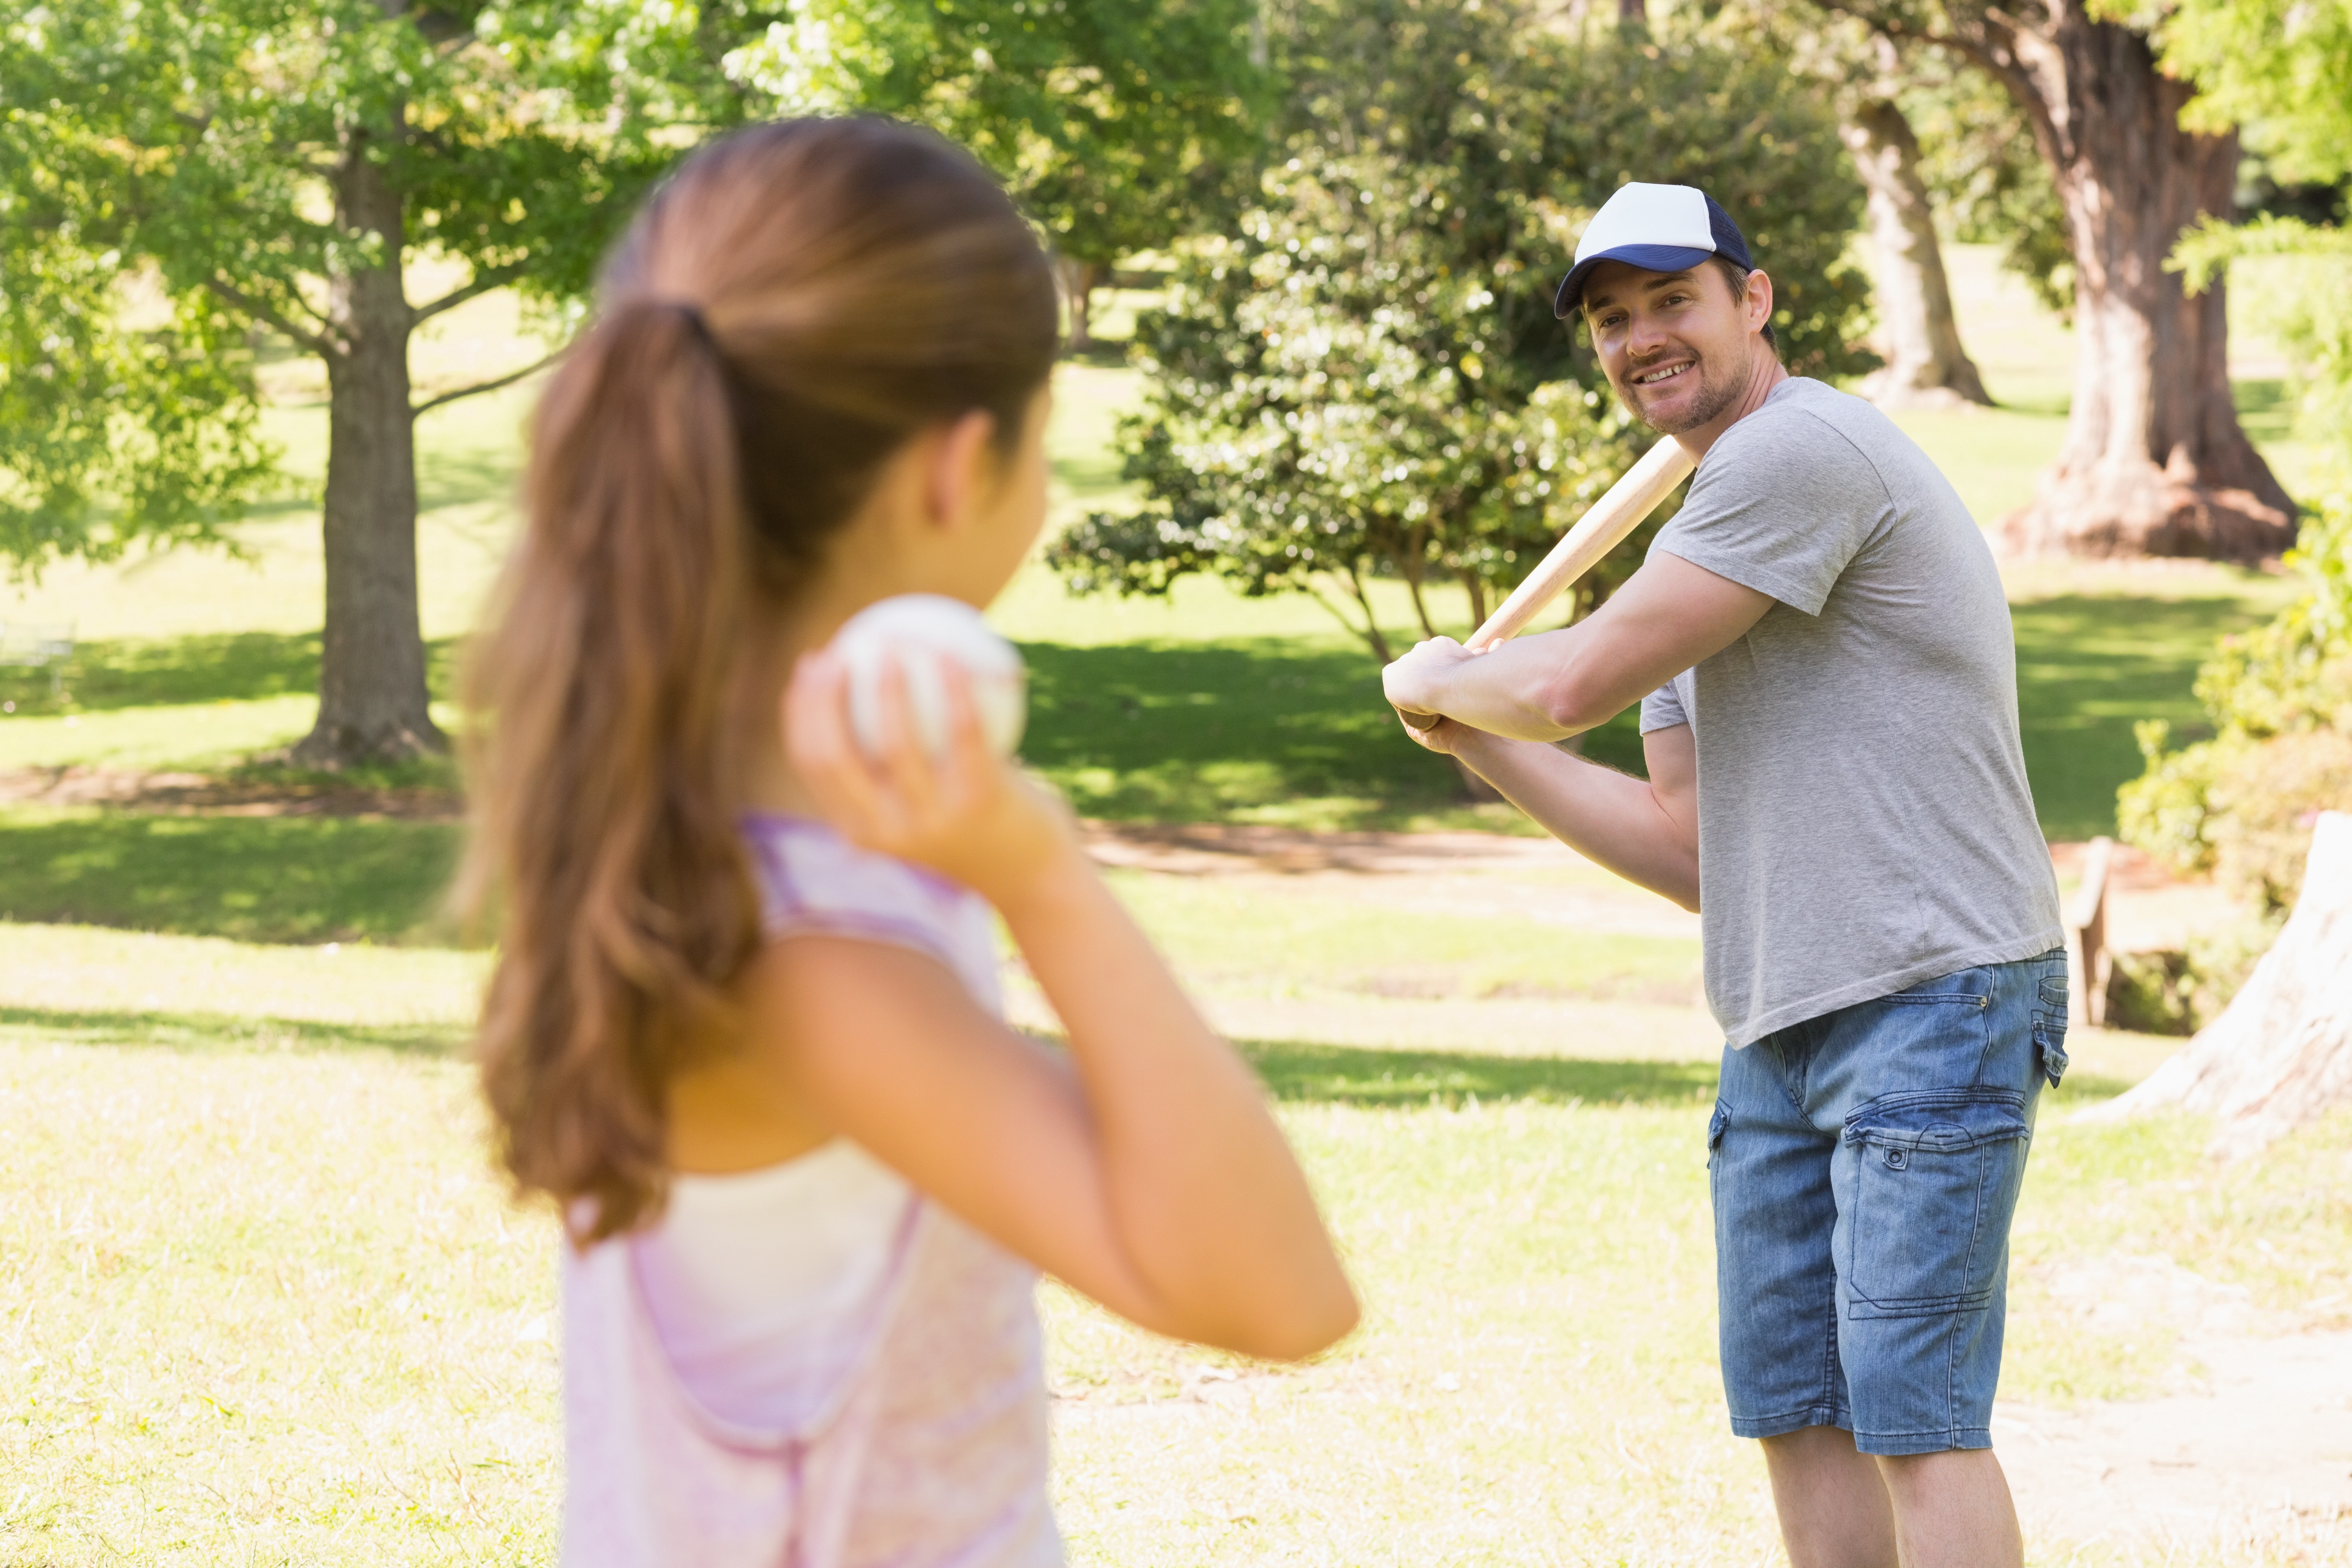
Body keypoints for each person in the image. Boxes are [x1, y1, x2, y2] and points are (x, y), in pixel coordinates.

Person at [459, 118, 1359, 1567]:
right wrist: (1041, 875)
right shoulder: (812, 967)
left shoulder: (698, 850)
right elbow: (1279, 1293)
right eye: (1043, 442)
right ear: (958, 473)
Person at [1380, 181, 2067, 1568]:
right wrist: (1465, 732)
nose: (1642, 339)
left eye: (1673, 301)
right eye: (1613, 320)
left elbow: (1570, 677)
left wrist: (1472, 675)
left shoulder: (1795, 456)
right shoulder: (1704, 539)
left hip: (1935, 997)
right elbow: (1690, 849)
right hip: (1780, 1017)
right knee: (1799, 1412)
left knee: (1915, 1418)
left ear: (1754, 301)